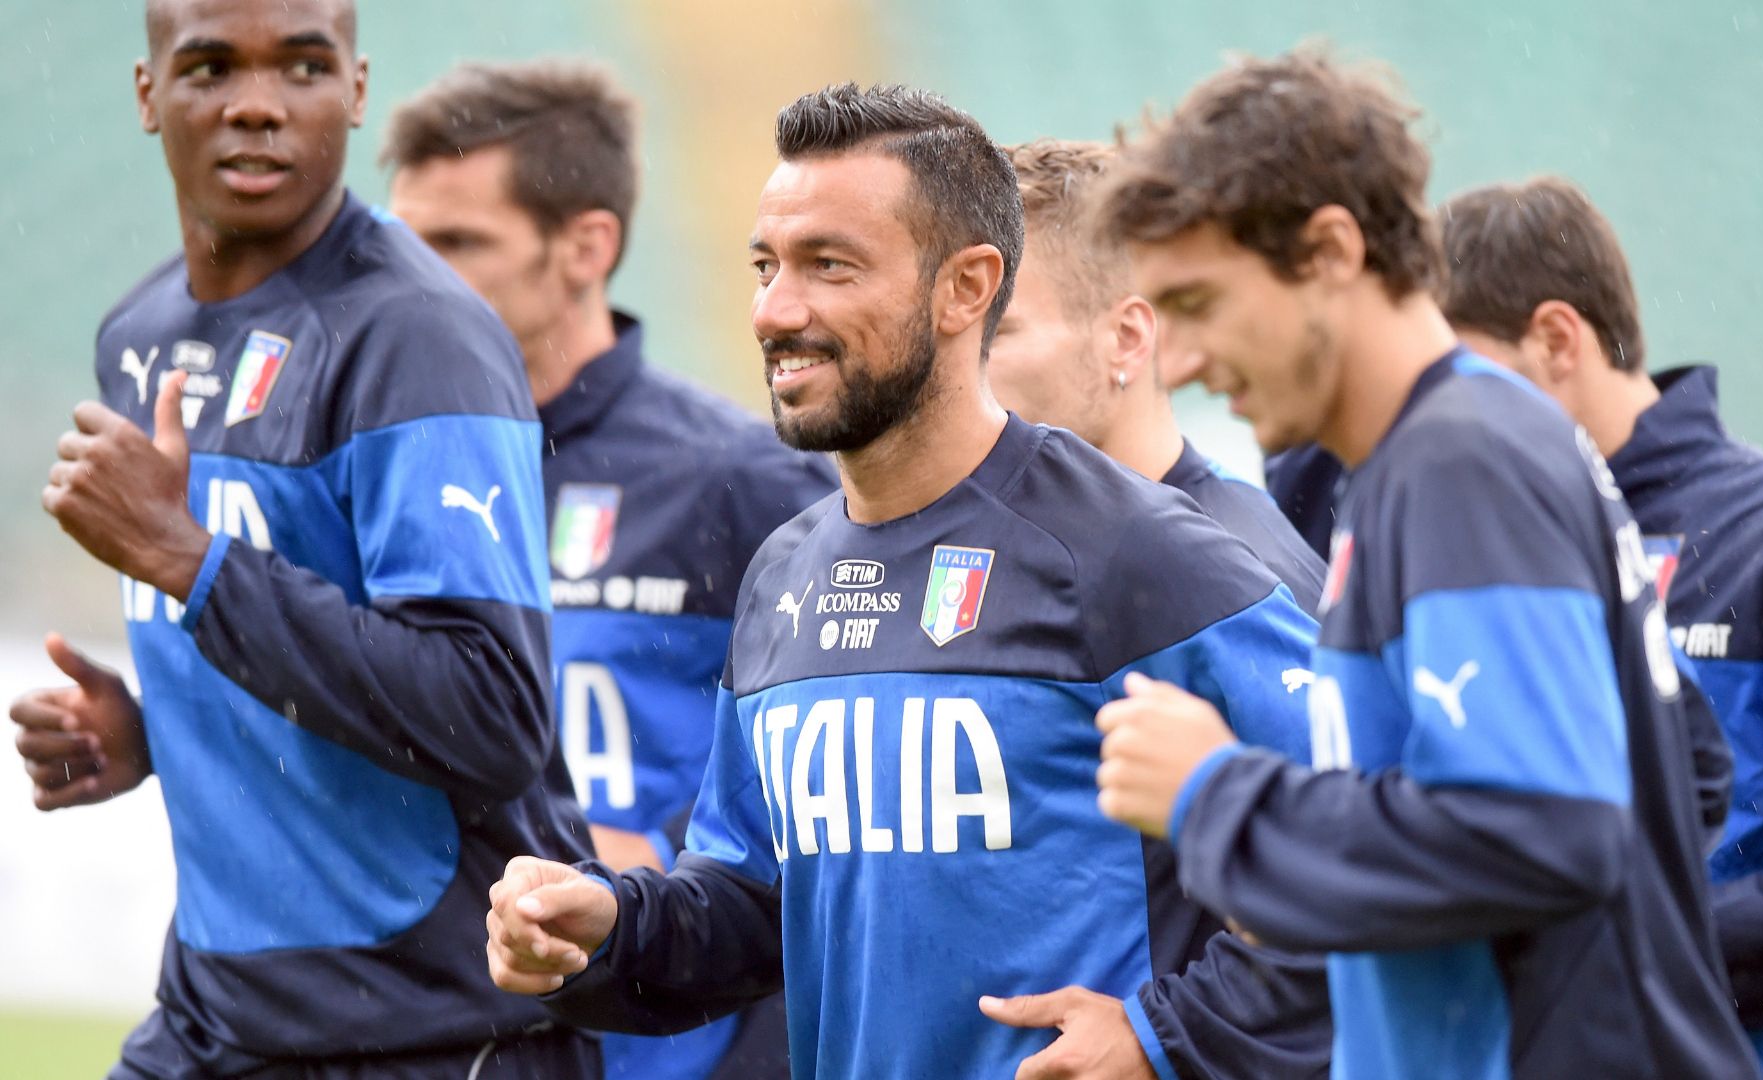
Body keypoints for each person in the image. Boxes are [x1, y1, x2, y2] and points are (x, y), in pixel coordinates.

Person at [482, 83, 1329, 1080]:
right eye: (767, 266)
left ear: (967, 287)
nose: (776, 311)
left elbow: (1370, 854)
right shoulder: (786, 572)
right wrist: (606, 930)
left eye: (830, 267)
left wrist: (1166, 1038)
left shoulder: (1141, 553)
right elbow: (758, 904)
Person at [1089, 48, 1761, 1078]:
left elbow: (1544, 830)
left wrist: (1218, 794)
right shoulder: (1437, 457)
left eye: (1198, 304)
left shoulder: (1461, 465)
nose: (1177, 364)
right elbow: (1686, 774)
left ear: (1328, 251)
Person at [10, 2, 597, 1075]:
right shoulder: (137, 338)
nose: (257, 106)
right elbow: (273, 639)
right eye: (210, 67)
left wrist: (188, 562)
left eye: (302, 67)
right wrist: (153, 731)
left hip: (430, 1031)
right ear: (149, 96)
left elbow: (488, 713)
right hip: (217, 1016)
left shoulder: (417, 341)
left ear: (356, 91)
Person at [383, 59, 835, 1080]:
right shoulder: (388, 473)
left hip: (674, 1033)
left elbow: (842, 726)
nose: (415, 283)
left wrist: (664, 852)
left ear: (588, 246)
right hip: (449, 1024)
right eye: (401, 244)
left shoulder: (742, 480)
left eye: (457, 243)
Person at [1437, 175, 1763, 1079]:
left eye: (1462, 382)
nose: (1440, 422)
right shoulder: (1483, 550)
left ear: (1555, 339)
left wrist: (1607, 964)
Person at [991, 138, 1324, 605]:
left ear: (1126, 340)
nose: (952, 366)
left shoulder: (1247, 580)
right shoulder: (972, 541)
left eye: (993, 333)